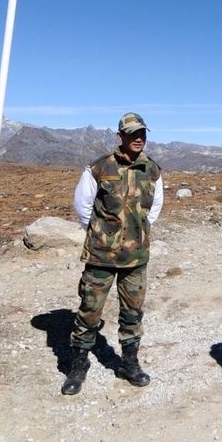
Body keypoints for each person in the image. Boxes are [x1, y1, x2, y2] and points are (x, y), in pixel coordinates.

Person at [61, 112, 164, 395]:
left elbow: (154, 208)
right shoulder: (99, 167)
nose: (138, 138)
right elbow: (82, 206)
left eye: (142, 133)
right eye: (132, 134)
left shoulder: (152, 170)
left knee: (133, 312)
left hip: (136, 257)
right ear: (120, 136)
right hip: (101, 256)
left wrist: (137, 232)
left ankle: (129, 363)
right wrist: (102, 234)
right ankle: (78, 365)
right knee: (90, 310)